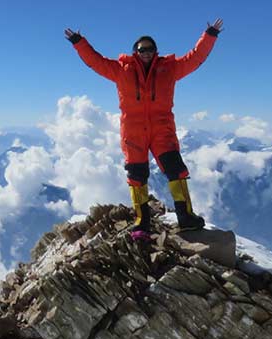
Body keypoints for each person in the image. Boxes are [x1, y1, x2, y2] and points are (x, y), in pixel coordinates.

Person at [65, 19, 223, 235]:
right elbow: (96, 61)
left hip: (162, 130)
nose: (146, 52)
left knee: (176, 171)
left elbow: (195, 58)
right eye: (142, 49)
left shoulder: (170, 68)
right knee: (137, 177)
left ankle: (185, 217)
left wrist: (210, 35)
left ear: (156, 51)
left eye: (150, 49)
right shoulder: (121, 69)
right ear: (135, 52)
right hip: (134, 132)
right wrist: (79, 42)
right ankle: (142, 223)